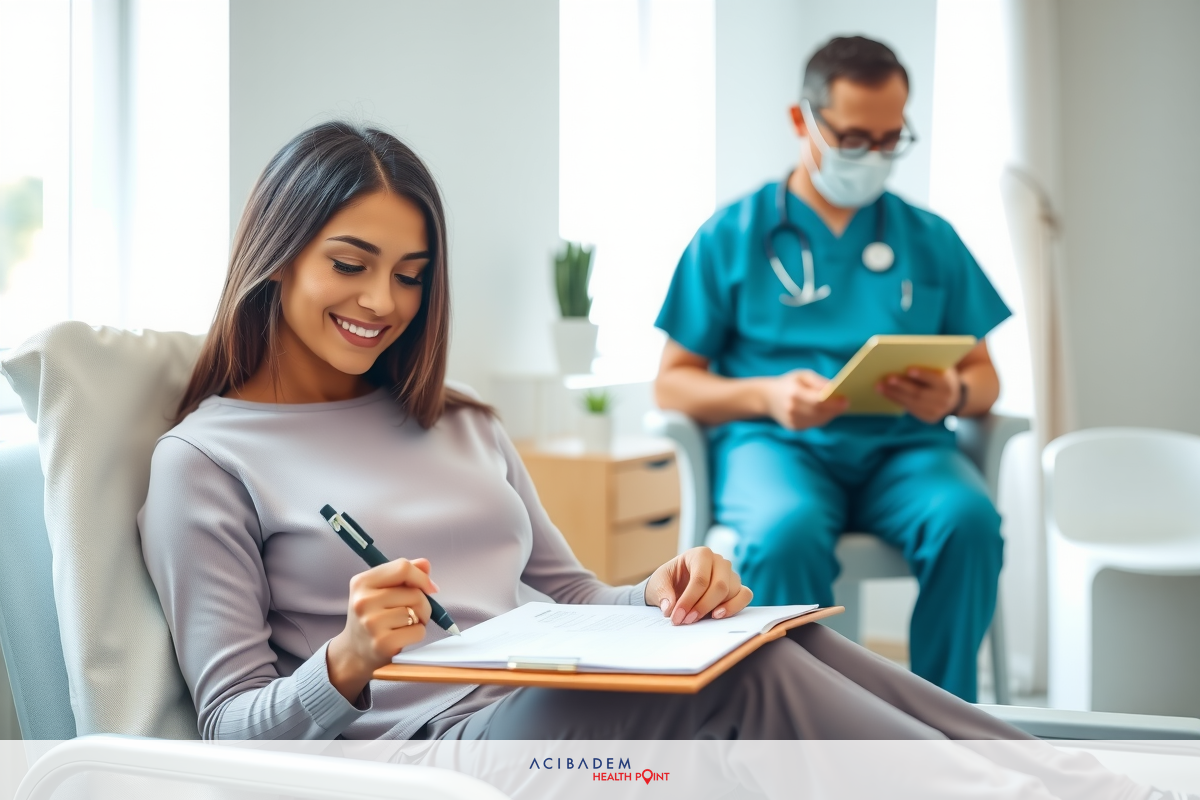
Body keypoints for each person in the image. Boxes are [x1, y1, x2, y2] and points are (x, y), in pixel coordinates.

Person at [135, 120, 1157, 800]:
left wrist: (662, 592)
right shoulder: (206, 460)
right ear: (279, 253)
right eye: (350, 265)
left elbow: (570, 592)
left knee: (762, 637)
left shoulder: (458, 420)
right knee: (730, 684)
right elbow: (231, 725)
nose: (382, 303)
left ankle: (1056, 770)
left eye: (409, 274)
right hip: (434, 752)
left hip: (547, 691)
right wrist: (345, 662)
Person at [653, 36, 1009, 701]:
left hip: (905, 452)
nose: (871, 158)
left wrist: (954, 391)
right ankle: (801, 719)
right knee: (784, 531)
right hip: (778, 447)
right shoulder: (733, 234)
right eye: (851, 138)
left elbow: (987, 378)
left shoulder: (929, 238)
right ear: (802, 121)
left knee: (969, 523)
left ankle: (945, 718)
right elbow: (673, 380)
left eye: (889, 139)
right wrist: (767, 395)